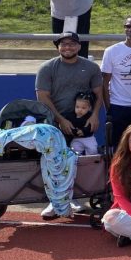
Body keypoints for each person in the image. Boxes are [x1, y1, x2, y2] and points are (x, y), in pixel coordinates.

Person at [35, 31, 103, 175]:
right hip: (55, 124)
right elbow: (42, 97)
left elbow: (99, 93)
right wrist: (61, 120)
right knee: (58, 164)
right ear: (57, 47)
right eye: (63, 44)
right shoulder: (47, 68)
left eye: (72, 44)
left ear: (79, 46)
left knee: (86, 163)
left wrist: (94, 115)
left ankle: (84, 190)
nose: (68, 47)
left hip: (83, 125)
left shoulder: (92, 67)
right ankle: (59, 195)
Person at [101, 16, 131, 146]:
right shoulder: (111, 51)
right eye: (127, 26)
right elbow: (104, 83)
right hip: (119, 106)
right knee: (119, 146)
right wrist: (109, 109)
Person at [63, 91, 98, 155]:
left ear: (89, 108)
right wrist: (74, 131)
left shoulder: (90, 116)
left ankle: (89, 160)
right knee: (74, 149)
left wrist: (84, 131)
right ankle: (78, 160)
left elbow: (90, 126)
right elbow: (69, 126)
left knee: (93, 150)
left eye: (83, 108)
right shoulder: (71, 116)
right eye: (77, 107)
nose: (80, 110)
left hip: (88, 138)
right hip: (76, 138)